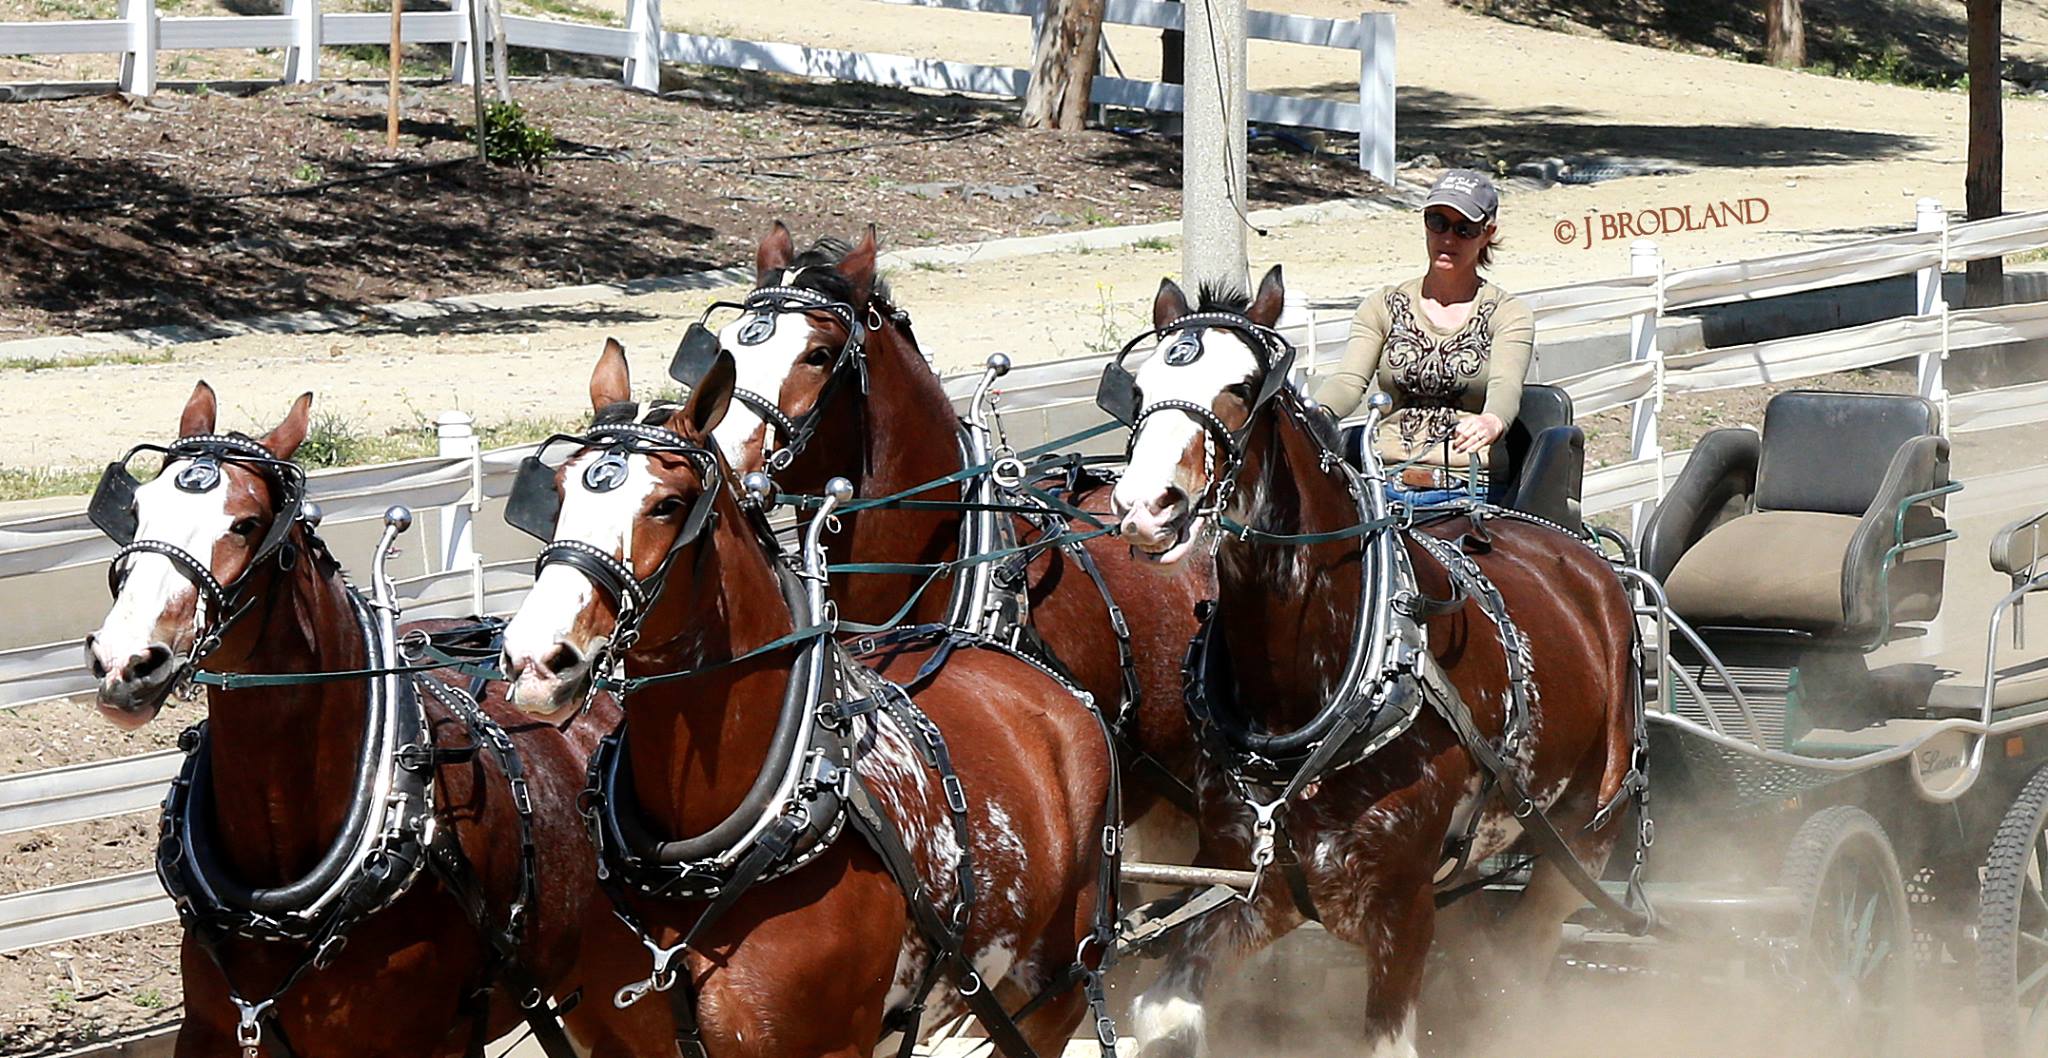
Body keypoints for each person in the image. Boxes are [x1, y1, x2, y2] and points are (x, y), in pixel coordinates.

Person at [1313, 168, 1536, 508]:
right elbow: (1347, 381)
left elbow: (1505, 387)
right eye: (1437, 222)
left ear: (1487, 234)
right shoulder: (1383, 306)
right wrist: (1314, 415)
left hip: (1467, 488)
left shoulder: (1508, 314)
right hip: (1381, 484)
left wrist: (1492, 421)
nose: (1448, 238)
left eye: (1464, 229)